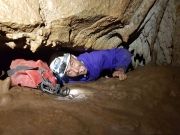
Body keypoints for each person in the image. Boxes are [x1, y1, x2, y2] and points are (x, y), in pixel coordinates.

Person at [50, 48, 132, 83]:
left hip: (102, 72)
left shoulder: (95, 59)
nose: (76, 70)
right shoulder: (66, 80)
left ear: (74, 57)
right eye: (69, 72)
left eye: (72, 63)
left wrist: (120, 69)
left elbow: (123, 53)